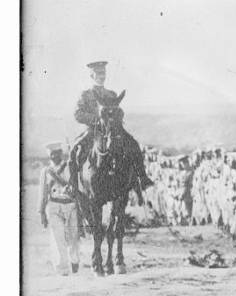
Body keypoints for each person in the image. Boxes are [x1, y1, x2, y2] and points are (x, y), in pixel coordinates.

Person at [69, 61, 153, 193]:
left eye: (103, 73)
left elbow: (118, 112)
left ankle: (142, 178)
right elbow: (77, 114)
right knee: (74, 151)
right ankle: (72, 187)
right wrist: (96, 120)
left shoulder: (112, 94)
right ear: (92, 75)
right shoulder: (85, 95)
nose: (101, 76)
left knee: (133, 144)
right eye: (98, 73)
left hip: (113, 129)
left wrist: (116, 118)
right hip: (93, 130)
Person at [38, 142, 80, 275]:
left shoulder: (70, 166)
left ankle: (74, 260)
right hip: (54, 206)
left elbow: (77, 186)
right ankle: (63, 269)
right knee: (58, 239)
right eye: (52, 154)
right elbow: (42, 192)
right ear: (49, 156)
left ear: (61, 153)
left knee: (73, 238)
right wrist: (41, 212)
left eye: (57, 153)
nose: (55, 156)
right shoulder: (46, 171)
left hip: (70, 205)